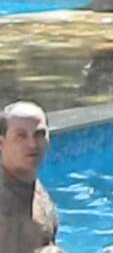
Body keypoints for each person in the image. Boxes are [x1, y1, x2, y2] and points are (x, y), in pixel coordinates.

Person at [0, 101, 59, 251]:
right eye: (21, 136)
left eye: (39, 134)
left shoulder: (34, 188)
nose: (32, 144)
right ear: (1, 143)